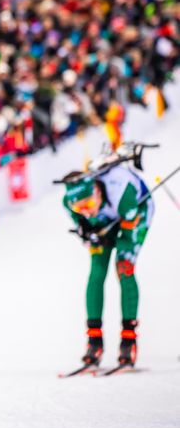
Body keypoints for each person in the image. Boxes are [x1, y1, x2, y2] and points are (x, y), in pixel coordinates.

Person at [62, 149, 153, 371]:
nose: (86, 211)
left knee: (123, 267)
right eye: (79, 208)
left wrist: (107, 233)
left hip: (135, 214)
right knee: (97, 272)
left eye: (88, 204)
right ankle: (94, 341)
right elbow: (84, 219)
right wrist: (86, 229)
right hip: (107, 219)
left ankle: (128, 340)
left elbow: (127, 232)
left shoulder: (122, 193)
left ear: (96, 191)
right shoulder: (70, 201)